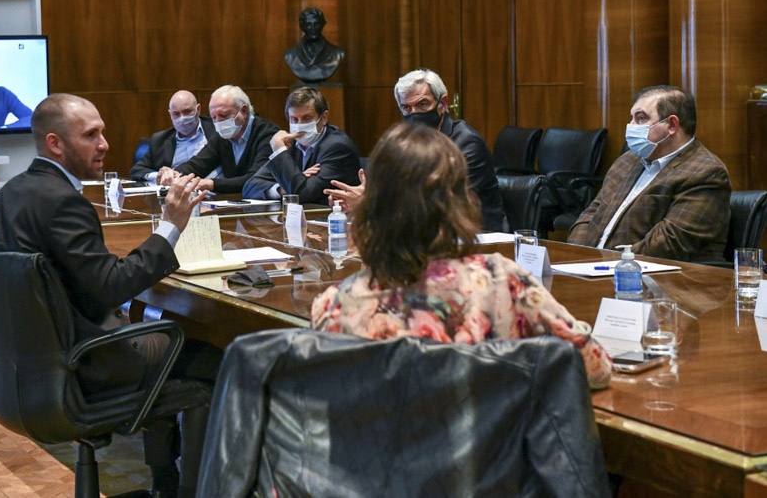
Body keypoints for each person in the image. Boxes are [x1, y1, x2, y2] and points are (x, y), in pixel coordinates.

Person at [0, 93, 220, 497]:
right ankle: (190, 489)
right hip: (83, 364)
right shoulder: (63, 202)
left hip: (25, 367)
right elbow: (111, 287)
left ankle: (164, 483)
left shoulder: (14, 192)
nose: (104, 144)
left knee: (165, 341)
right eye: (91, 135)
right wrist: (171, 226)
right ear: (55, 144)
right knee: (217, 359)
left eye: (103, 133)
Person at [311, 123, 611, 389]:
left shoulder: (334, 305)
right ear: (460, 200)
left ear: (371, 206)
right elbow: (596, 370)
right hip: (488, 452)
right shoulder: (503, 281)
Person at [324, 69, 507, 231]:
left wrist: (370, 204)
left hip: (476, 237)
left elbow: (443, 205)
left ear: (442, 104)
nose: (414, 114)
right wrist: (353, 199)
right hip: (423, 236)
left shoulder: (466, 143)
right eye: (406, 108)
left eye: (423, 105)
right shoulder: (405, 144)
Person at [567, 85, 731, 262]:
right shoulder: (627, 161)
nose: (630, 126)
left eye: (641, 118)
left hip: (663, 280)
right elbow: (590, 215)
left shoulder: (705, 172)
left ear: (672, 125)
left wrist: (611, 265)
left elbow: (669, 243)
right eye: (632, 118)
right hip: (595, 269)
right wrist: (579, 257)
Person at [242, 87, 360, 204]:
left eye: (307, 118)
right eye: (294, 119)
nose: (299, 125)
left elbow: (301, 194)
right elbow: (249, 186)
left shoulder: (337, 147)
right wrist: (282, 189)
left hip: (331, 218)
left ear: (324, 118)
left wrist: (279, 150)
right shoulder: (292, 143)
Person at [159, 85, 280, 194]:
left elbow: (254, 179)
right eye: (214, 117)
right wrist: (176, 173)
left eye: (223, 115)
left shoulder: (268, 135)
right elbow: (198, 164)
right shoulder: (222, 136)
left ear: (243, 111)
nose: (218, 122)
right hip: (232, 204)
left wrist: (211, 184)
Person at [130, 90, 214, 182]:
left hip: (211, 189)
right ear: (170, 114)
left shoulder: (216, 130)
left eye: (187, 112)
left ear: (198, 109)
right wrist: (159, 175)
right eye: (176, 114)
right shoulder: (159, 140)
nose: (182, 118)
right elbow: (136, 170)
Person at [283, 7, 345, 84]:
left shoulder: (337, 54)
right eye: (308, 24)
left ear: (323, 25)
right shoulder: (290, 55)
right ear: (302, 26)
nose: (313, 28)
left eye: (316, 24)